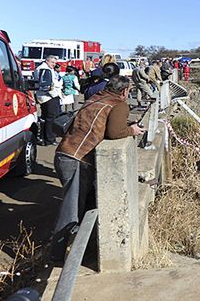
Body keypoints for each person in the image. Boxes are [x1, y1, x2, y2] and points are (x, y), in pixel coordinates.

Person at [50, 75, 145, 263]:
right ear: (125, 91)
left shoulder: (97, 98)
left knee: (87, 204)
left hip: (64, 154)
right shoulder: (119, 104)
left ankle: (83, 249)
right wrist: (132, 130)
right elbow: (115, 132)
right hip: (77, 159)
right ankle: (57, 256)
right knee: (71, 211)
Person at [34, 55, 62, 146]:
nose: (54, 64)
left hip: (46, 97)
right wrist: (55, 96)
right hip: (49, 97)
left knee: (45, 118)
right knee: (51, 119)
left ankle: (44, 138)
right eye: (52, 62)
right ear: (47, 61)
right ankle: (49, 139)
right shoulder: (44, 69)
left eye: (55, 63)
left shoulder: (44, 69)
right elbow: (47, 86)